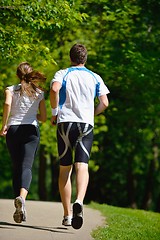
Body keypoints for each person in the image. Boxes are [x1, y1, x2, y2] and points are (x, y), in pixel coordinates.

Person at [50, 43, 110, 229]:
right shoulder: (95, 77)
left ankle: (67, 215)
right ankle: (80, 200)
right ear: (85, 58)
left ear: (70, 58)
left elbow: (54, 90)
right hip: (86, 124)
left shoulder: (63, 73)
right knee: (82, 166)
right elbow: (105, 103)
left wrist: (54, 112)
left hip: (65, 122)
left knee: (65, 169)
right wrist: (91, 113)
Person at [0, 62, 47, 223]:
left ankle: (18, 205)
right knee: (27, 166)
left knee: (16, 167)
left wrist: (3, 125)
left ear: (17, 75)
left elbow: (7, 104)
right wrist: (34, 116)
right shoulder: (39, 92)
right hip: (31, 131)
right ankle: (22, 198)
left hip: (13, 130)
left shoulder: (10, 90)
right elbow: (44, 117)